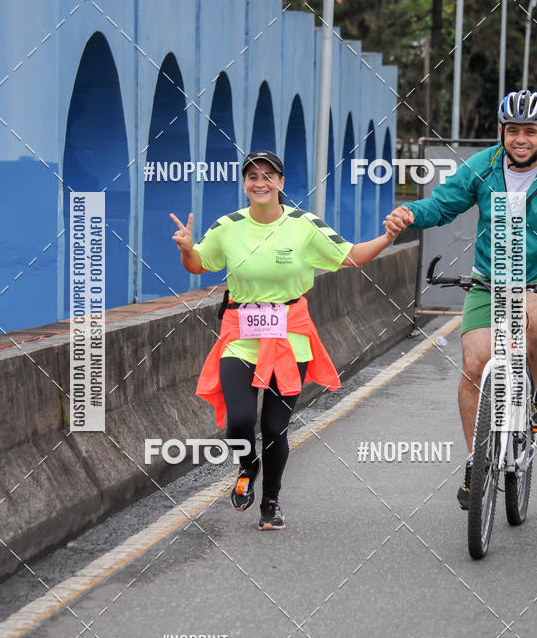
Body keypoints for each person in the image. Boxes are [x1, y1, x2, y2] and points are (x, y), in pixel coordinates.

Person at [384, 89, 537, 510]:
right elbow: (443, 205)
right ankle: (475, 463)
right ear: (501, 133)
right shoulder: (483, 167)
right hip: (491, 275)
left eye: (530, 132)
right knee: (474, 366)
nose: (521, 139)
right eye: (513, 130)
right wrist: (411, 214)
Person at [171, 150, 399, 530]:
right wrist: (185, 249)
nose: (260, 183)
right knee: (240, 421)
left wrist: (388, 237)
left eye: (268, 176)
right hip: (240, 335)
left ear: (281, 182)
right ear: (244, 184)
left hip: (290, 336)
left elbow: (351, 256)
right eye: (252, 176)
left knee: (275, 428)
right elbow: (198, 264)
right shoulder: (227, 226)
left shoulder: (304, 225)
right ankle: (248, 465)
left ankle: (271, 501)